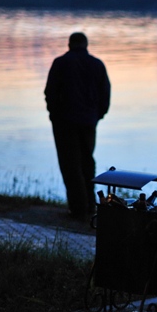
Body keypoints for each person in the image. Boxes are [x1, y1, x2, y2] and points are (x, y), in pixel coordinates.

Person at [45, 32, 111, 220]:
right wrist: (98, 115)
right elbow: (105, 93)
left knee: (70, 164)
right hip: (89, 121)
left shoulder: (60, 63)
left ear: (69, 44)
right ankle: (90, 205)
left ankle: (78, 209)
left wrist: (54, 116)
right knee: (87, 162)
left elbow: (50, 92)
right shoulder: (97, 64)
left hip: (65, 122)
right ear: (86, 44)